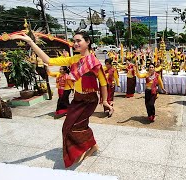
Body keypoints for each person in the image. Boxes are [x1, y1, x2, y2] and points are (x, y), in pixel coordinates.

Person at [11, 31, 113, 168]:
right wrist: (31, 42)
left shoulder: (94, 62)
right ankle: (92, 145)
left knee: (76, 127)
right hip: (77, 98)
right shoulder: (73, 60)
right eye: (74, 41)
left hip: (89, 100)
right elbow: (49, 60)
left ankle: (91, 146)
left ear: (87, 42)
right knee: (68, 127)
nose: (75, 43)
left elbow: (103, 82)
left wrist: (105, 101)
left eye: (78, 40)